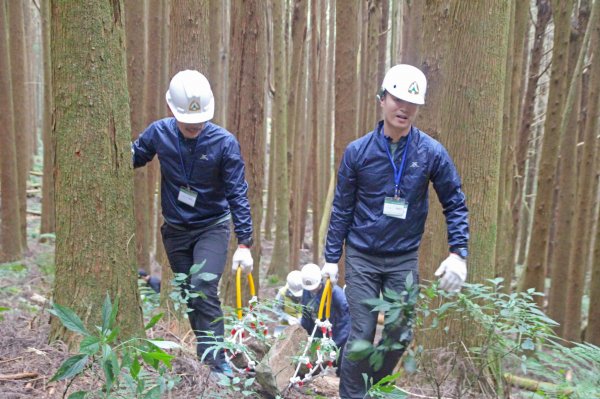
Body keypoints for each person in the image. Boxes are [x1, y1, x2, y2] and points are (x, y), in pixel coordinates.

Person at [321, 64, 469, 398]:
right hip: (362, 257)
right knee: (361, 333)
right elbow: (342, 207)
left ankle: (371, 386)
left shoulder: (431, 152)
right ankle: (352, 394)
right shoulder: (357, 152)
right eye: (397, 99)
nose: (403, 108)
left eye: (411, 103)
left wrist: (458, 253)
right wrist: (332, 258)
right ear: (382, 99)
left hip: (403, 259)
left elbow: (455, 202)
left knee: (399, 336)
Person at [132, 70, 254, 379]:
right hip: (175, 230)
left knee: (203, 287)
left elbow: (237, 191)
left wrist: (244, 242)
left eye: (199, 120)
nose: (194, 125)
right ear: (172, 109)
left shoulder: (224, 143)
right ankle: (206, 354)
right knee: (188, 293)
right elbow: (134, 155)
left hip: (211, 227)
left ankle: (217, 361)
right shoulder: (158, 133)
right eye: (187, 120)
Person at [300, 263, 350, 375]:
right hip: (317, 331)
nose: (312, 290)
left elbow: (346, 319)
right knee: (315, 359)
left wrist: (336, 342)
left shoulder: (335, 293)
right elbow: (305, 314)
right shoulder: (306, 292)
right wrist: (304, 333)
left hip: (335, 332)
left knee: (341, 360)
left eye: (314, 287)